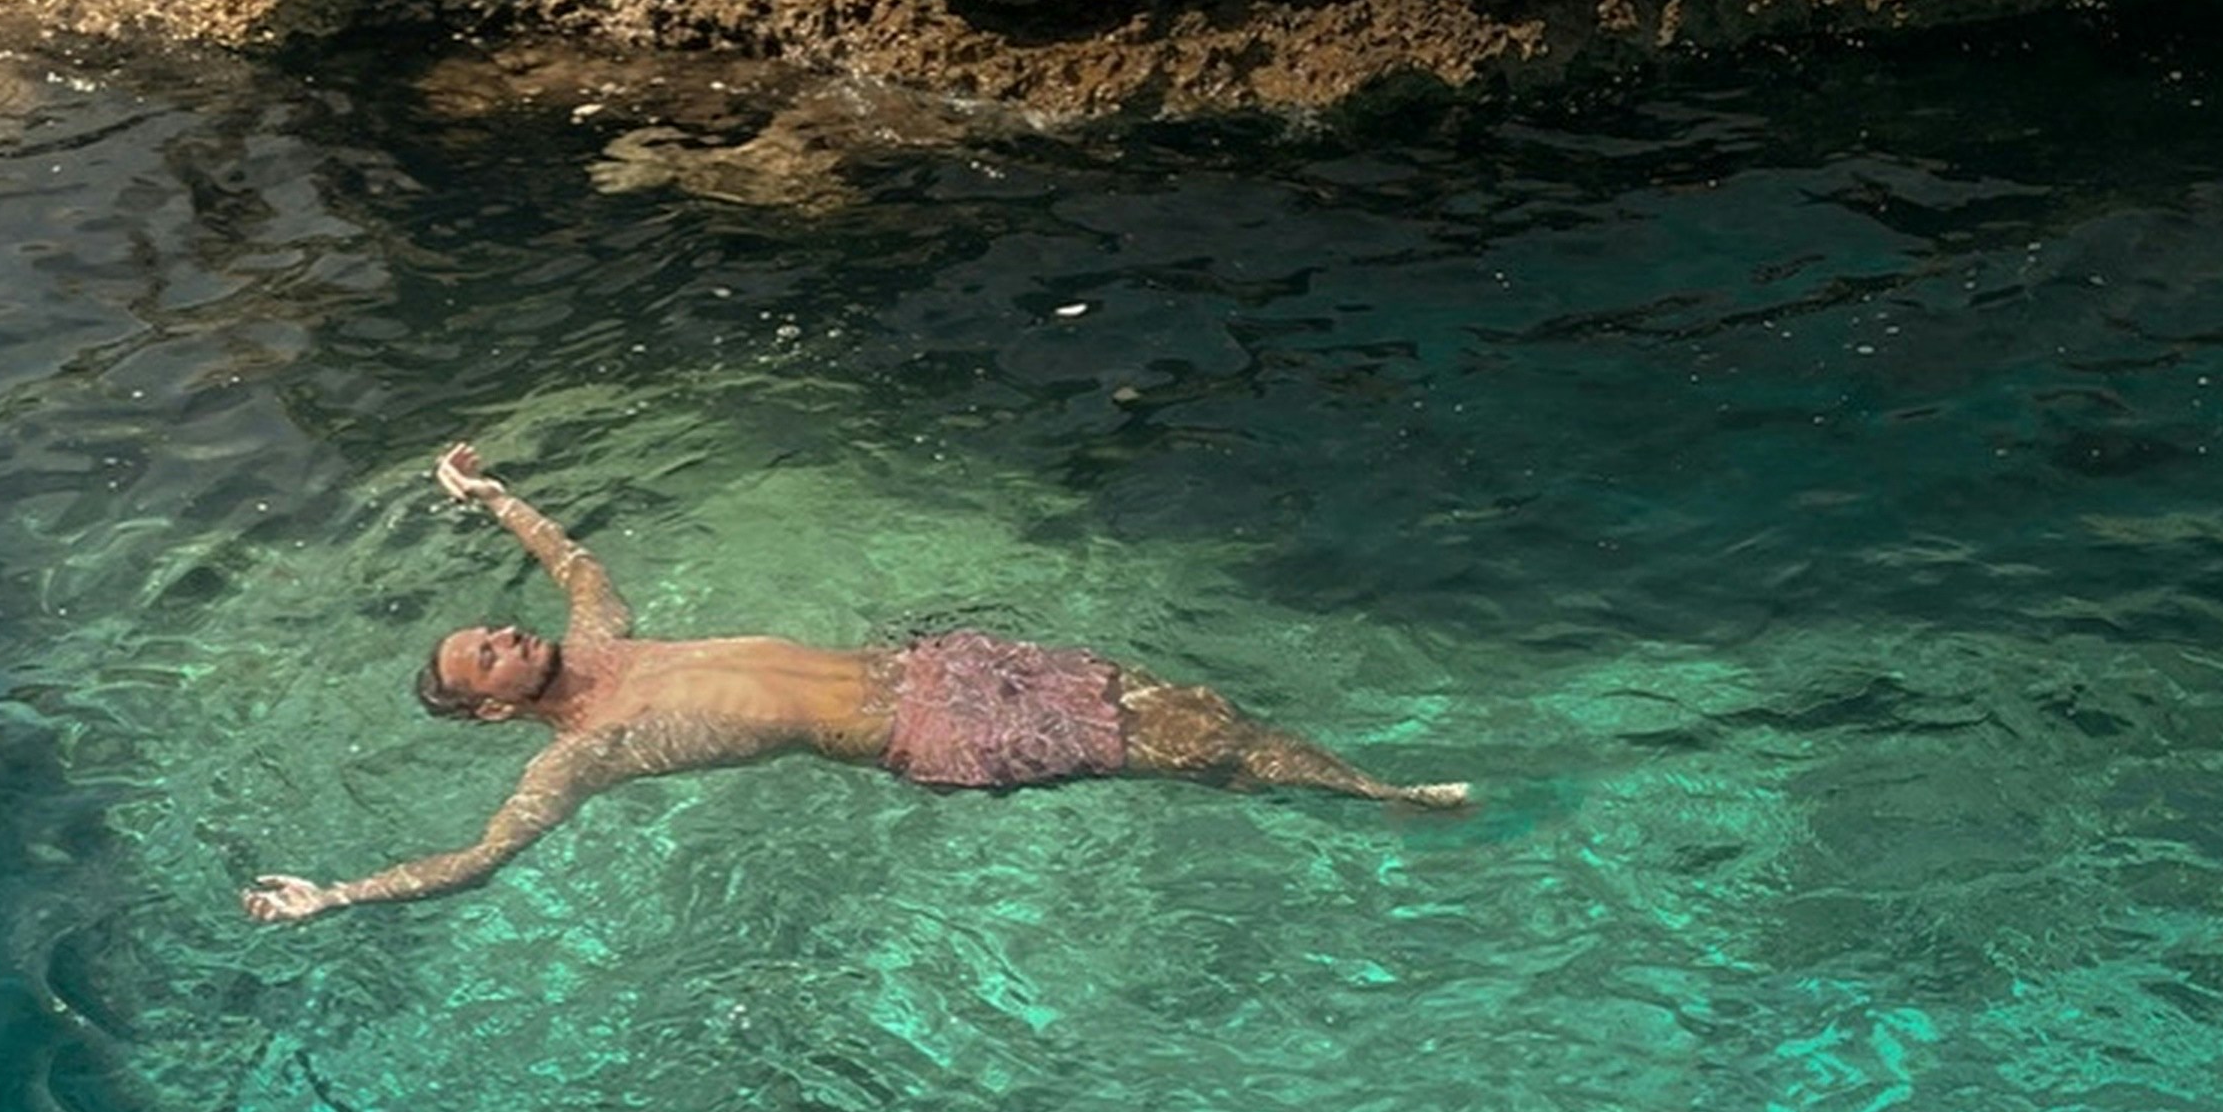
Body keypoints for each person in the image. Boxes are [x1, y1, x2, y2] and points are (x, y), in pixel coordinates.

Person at [241, 446, 1467, 920]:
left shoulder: (608, 639)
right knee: (1199, 748)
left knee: (1179, 704)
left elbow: (572, 560)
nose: (505, 636)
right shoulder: (585, 747)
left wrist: (489, 493)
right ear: (495, 706)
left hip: (940, 666)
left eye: (494, 629)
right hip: (925, 734)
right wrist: (335, 895)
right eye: (486, 656)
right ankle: (1388, 799)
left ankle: (1345, 781)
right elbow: (481, 858)